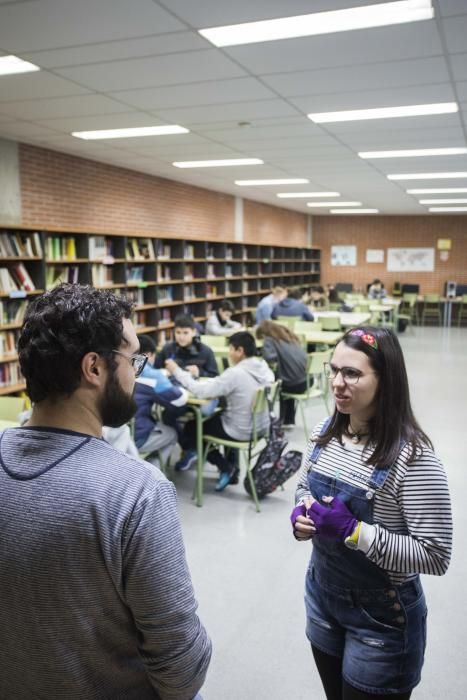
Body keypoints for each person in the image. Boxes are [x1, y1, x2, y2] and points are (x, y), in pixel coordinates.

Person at [0, 283, 211, 699]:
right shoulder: (137, 492)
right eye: (133, 359)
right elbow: (182, 671)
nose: (138, 372)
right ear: (94, 368)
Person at [290, 326, 452, 700]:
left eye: (352, 374)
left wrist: (355, 531)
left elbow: (436, 555)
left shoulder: (413, 458)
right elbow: (304, 488)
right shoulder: (324, 432)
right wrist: (301, 515)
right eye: (333, 370)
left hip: (381, 620)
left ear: (386, 380)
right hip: (322, 597)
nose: (337, 383)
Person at [165, 331, 274, 491]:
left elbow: (200, 390)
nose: (229, 353)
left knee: (191, 427)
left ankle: (226, 467)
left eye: (231, 349)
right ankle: (231, 469)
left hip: (241, 429)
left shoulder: (235, 373)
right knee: (220, 416)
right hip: (261, 427)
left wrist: (176, 371)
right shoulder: (263, 367)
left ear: (240, 351)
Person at [135, 333, 189, 468]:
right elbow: (179, 399)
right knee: (172, 433)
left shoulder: (121, 366)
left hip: (112, 436)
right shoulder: (152, 375)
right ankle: (151, 476)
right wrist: (181, 386)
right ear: (148, 355)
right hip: (137, 437)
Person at [256, 320, 307, 427]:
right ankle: (288, 420)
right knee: (287, 374)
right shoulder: (288, 336)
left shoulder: (269, 340)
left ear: (264, 334)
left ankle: (277, 421)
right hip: (305, 381)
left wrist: (261, 353)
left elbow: (270, 359)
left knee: (274, 383)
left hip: (291, 385)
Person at [155, 313, 218, 378]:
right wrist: (163, 371)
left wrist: (199, 372)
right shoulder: (167, 349)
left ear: (194, 332)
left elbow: (215, 376)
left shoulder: (206, 351)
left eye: (185, 333)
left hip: (196, 386)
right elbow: (155, 370)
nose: (181, 337)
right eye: (178, 332)